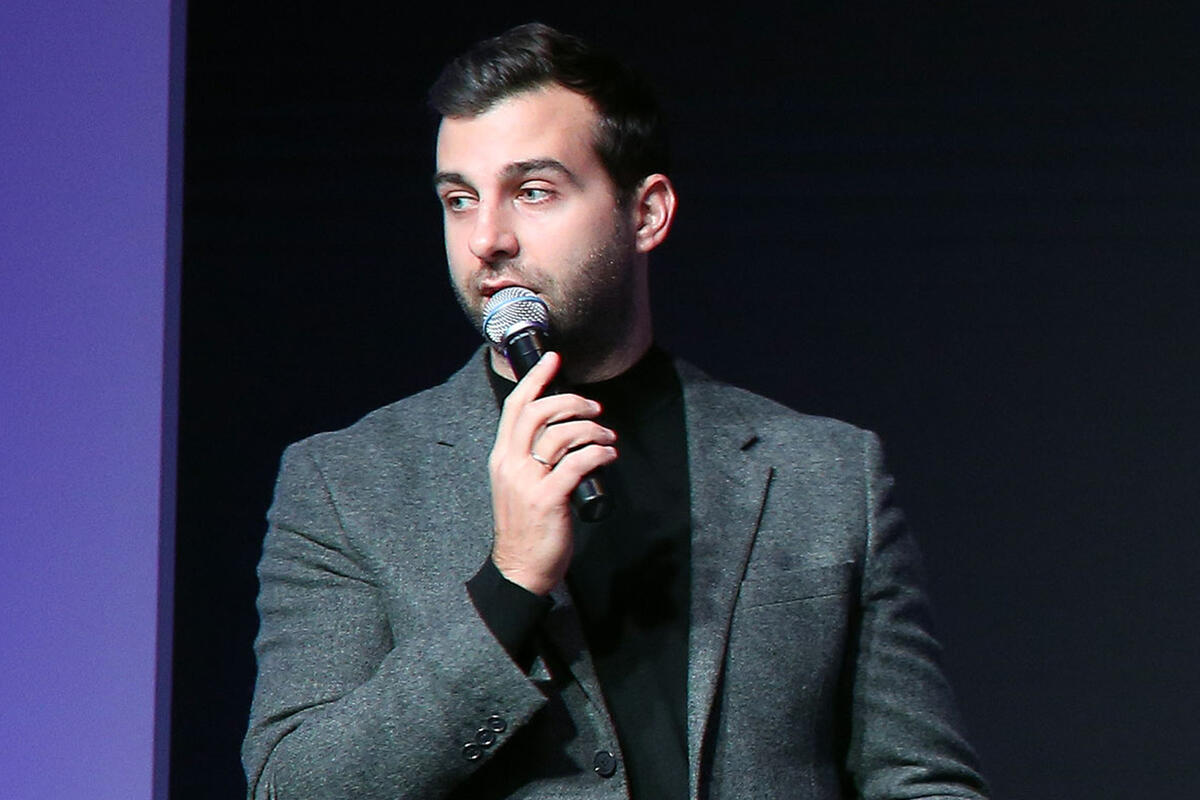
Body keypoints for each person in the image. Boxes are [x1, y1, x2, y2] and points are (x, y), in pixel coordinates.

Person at [242, 22, 989, 800]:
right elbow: (294, 787)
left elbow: (921, 780)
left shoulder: (826, 475)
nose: (487, 238)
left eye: (533, 191)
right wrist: (510, 583)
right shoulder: (346, 483)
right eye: (460, 200)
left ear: (647, 213)